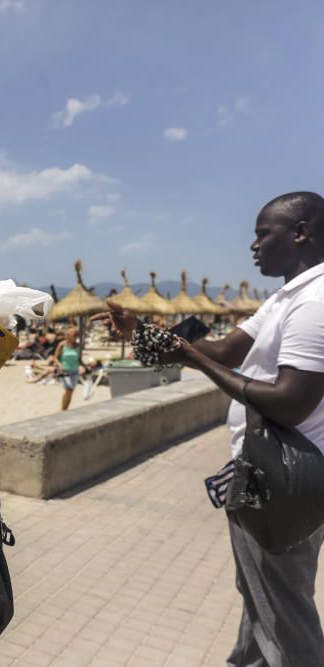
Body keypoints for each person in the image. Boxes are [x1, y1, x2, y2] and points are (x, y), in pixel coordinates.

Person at [97, 191, 324, 666]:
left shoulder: (316, 301)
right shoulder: (287, 296)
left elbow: (289, 402)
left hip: (286, 481)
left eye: (264, 233)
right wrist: (140, 330)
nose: (254, 245)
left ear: (300, 232)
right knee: (260, 591)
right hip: (265, 472)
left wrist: (190, 358)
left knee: (285, 613)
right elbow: (222, 351)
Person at [53, 327, 80, 410]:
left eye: (76, 335)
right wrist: (60, 366)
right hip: (65, 372)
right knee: (69, 389)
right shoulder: (62, 344)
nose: (75, 336)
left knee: (70, 391)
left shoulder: (78, 345)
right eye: (73, 335)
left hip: (75, 371)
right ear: (68, 336)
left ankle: (65, 409)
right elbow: (55, 358)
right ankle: (63, 409)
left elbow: (80, 359)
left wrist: (85, 367)